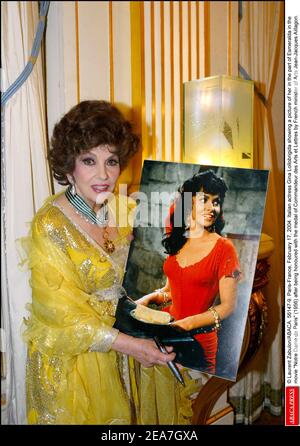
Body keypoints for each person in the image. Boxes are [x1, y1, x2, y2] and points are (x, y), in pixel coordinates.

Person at [21, 100, 176, 425]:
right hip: (79, 369)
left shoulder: (126, 210)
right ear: (68, 166)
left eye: (112, 160)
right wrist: (131, 346)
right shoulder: (50, 224)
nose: (104, 175)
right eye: (89, 160)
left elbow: (149, 280)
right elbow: (61, 318)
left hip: (130, 349)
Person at [137, 170, 241, 375]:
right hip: (167, 331)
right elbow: (170, 291)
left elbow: (229, 305)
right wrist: (149, 298)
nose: (212, 208)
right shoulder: (178, 242)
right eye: (205, 200)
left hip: (198, 341)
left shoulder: (224, 248)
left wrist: (188, 323)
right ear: (189, 203)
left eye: (217, 202)